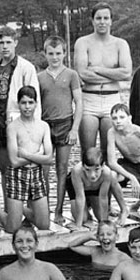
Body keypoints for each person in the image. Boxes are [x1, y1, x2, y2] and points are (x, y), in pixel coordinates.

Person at [0, 25, 41, 209]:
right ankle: (9, 208)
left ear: (15, 43)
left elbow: (35, 99)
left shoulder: (26, 67)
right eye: (1, 42)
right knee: (5, 169)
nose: (4, 46)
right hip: (0, 124)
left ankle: (28, 210)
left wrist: (34, 127)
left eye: (8, 42)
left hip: (21, 124)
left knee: (25, 168)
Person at [74, 2, 132, 158]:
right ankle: (86, 182)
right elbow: (82, 73)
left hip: (111, 100)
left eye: (106, 18)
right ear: (92, 21)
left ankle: (107, 182)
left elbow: (126, 73)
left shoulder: (120, 44)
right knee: (88, 152)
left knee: (108, 151)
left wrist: (99, 70)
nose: (102, 22)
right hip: (89, 100)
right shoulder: (83, 42)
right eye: (98, 18)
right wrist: (113, 74)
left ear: (111, 20)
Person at [0, 86, 52, 233]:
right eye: (23, 103)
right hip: (17, 175)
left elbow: (49, 159)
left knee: (44, 225)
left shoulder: (43, 126)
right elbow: (14, 161)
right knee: (13, 228)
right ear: (18, 104)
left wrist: (26, 154)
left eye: (30, 103)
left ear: (36, 103)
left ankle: (20, 210)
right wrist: (38, 156)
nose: (27, 107)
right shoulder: (13, 127)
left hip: (36, 174)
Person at [38, 35, 83, 224]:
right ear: (45, 54)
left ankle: (58, 211)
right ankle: (44, 211)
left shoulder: (71, 75)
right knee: (44, 171)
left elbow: (79, 103)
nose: (54, 57)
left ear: (64, 54)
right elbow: (35, 105)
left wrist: (74, 129)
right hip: (46, 126)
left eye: (58, 53)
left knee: (62, 169)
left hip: (65, 124)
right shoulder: (39, 77)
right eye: (51, 53)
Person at [0, 226, 76, 280]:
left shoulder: (50, 269)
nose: (24, 245)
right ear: (13, 246)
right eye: (19, 241)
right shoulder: (4, 274)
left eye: (29, 241)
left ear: (36, 244)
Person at [66, 147, 129, 228]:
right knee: (83, 219)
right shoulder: (77, 171)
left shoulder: (106, 173)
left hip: (95, 188)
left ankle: (124, 209)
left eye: (96, 169)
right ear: (83, 166)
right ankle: (86, 210)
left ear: (102, 166)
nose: (92, 175)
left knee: (100, 217)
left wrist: (104, 224)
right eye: (88, 170)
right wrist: (78, 225)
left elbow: (103, 198)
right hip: (79, 190)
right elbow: (80, 197)